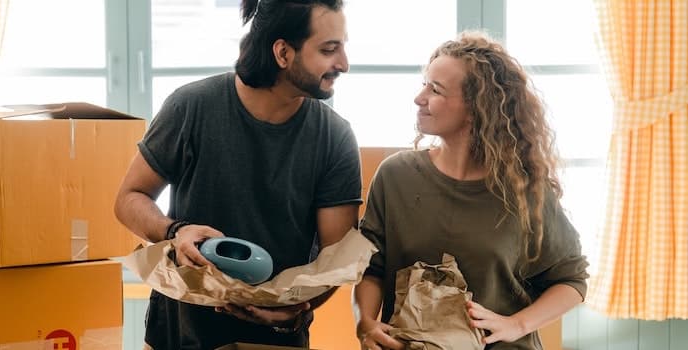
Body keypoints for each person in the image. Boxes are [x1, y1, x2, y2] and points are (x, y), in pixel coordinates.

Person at [114, 0, 361, 349]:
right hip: (177, 335)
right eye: (328, 49)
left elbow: (335, 262)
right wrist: (175, 231)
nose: (344, 64)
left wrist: (296, 310)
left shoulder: (335, 138)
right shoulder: (191, 107)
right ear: (283, 53)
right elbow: (128, 199)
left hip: (275, 341)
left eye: (343, 47)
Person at [352, 31, 589, 350]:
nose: (419, 98)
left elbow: (572, 281)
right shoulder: (395, 176)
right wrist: (365, 323)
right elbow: (371, 267)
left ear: (477, 108)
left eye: (435, 90)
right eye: (424, 84)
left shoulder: (525, 190)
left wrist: (516, 324)